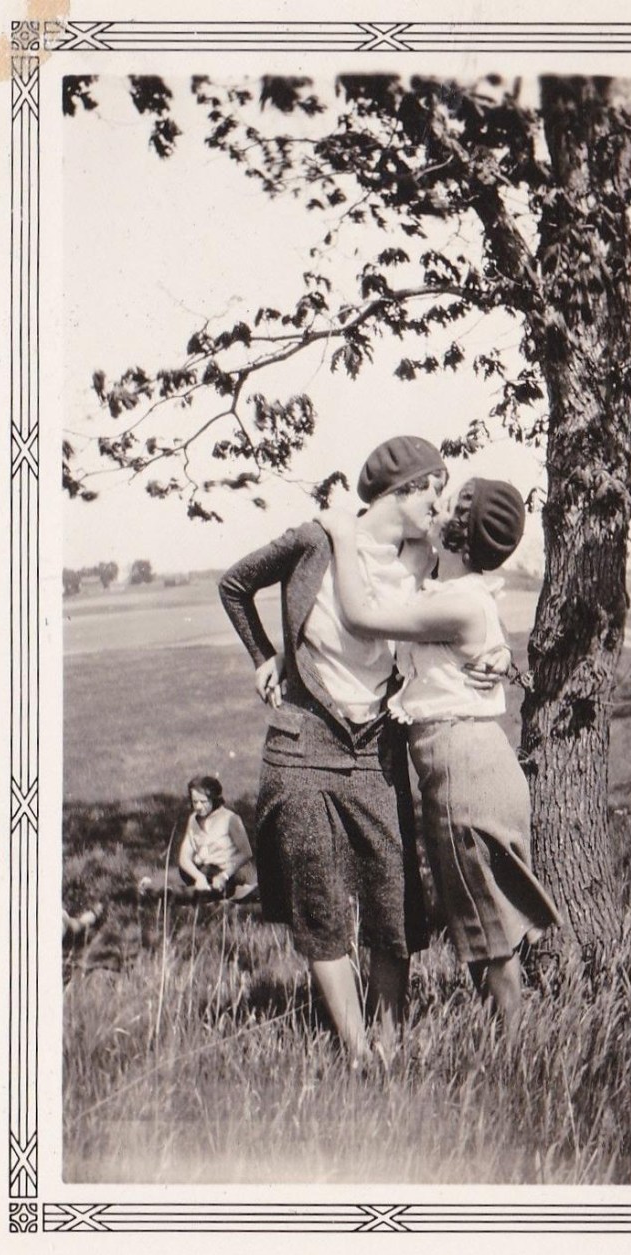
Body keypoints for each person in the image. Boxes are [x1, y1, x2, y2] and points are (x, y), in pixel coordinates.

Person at [219, 436, 505, 1061]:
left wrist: (499, 654)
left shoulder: (425, 556)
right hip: (301, 745)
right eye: (435, 488)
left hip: (379, 743)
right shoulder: (317, 539)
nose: (442, 504)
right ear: (404, 490)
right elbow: (234, 585)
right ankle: (357, 1053)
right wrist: (264, 655)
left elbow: (472, 602)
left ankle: (391, 1040)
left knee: (392, 898)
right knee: (317, 901)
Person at [321, 477, 562, 1039]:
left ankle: (517, 1043)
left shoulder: (458, 602)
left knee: (484, 919)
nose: (435, 504)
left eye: (448, 505)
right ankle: (513, 1037)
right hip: (460, 761)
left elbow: (359, 615)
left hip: (463, 765)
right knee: (480, 911)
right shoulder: (448, 587)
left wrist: (337, 530)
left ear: (458, 534)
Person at [178, 775, 257, 901]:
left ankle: (236, 892)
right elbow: (184, 857)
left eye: (203, 802)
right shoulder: (193, 819)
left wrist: (223, 876)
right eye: (194, 802)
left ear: (214, 800)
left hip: (228, 870)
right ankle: (206, 891)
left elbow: (246, 853)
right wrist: (199, 877)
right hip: (204, 870)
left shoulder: (230, 819)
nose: (198, 807)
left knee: (219, 881)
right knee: (187, 870)